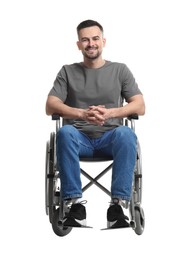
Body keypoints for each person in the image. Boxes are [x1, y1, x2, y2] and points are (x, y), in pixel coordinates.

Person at [46, 19, 145, 229]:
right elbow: (50, 105)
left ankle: (117, 206)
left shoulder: (120, 70)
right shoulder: (67, 71)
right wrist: (81, 113)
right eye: (85, 40)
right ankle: (74, 205)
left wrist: (111, 113)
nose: (91, 43)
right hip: (77, 140)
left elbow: (140, 105)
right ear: (78, 44)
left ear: (103, 41)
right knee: (65, 132)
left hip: (111, 139)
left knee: (126, 133)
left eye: (95, 38)